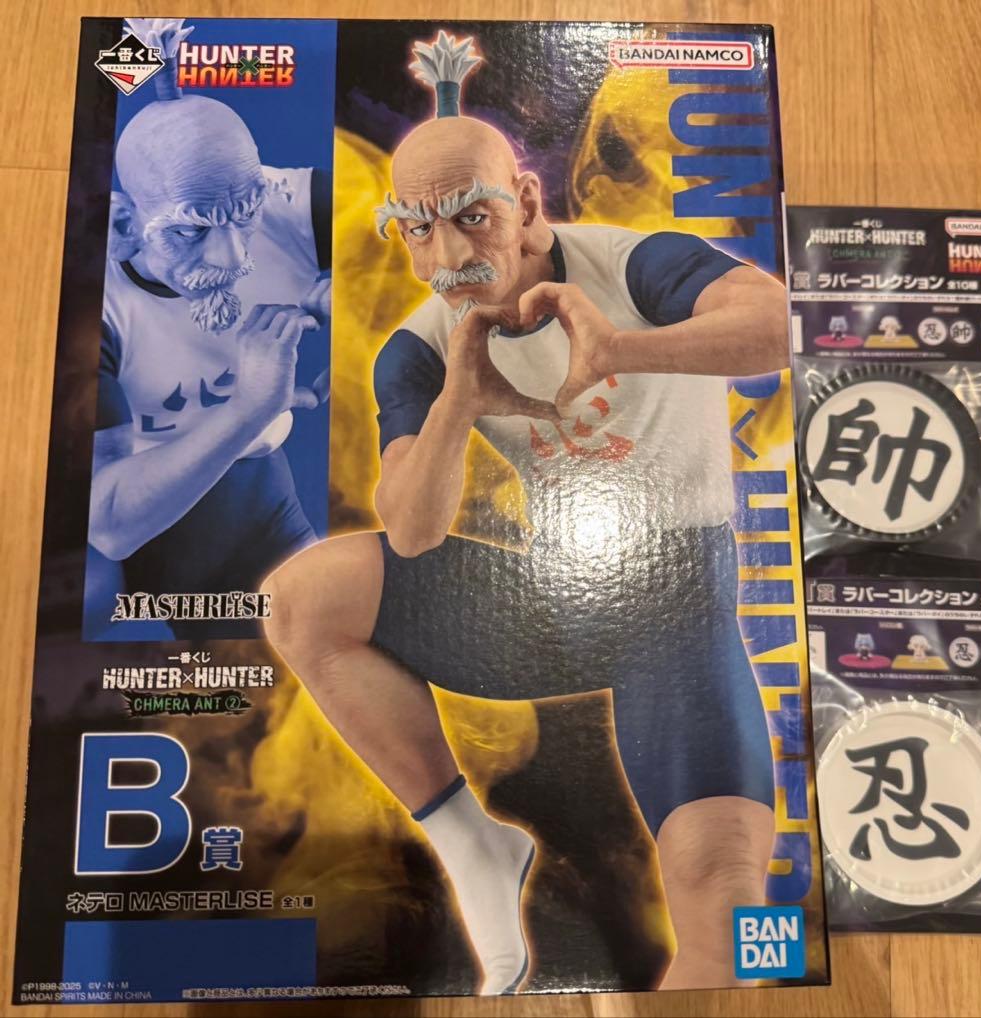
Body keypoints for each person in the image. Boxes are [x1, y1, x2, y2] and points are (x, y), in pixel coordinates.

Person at [263, 31, 789, 993]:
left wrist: (623, 350)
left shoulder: (630, 263)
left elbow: (774, 325)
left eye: (473, 217)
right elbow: (412, 530)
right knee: (304, 596)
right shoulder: (420, 347)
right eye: (419, 229)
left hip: (676, 605)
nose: (451, 254)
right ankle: (473, 842)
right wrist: (461, 397)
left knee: (725, 909)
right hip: (553, 607)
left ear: (530, 204)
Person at [88, 19, 331, 638]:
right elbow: (109, 522)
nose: (232, 258)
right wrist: (252, 406)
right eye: (190, 230)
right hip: (166, 547)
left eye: (244, 216)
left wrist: (367, 298)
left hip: (270, 506)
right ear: (124, 228)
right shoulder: (99, 307)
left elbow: (416, 229)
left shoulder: (281, 200)